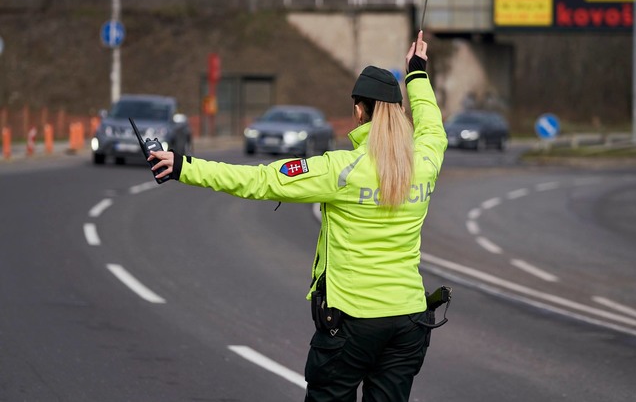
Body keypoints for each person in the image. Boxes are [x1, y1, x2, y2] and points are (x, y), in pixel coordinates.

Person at [149, 30, 447, 402]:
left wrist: (182, 166)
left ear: (358, 110)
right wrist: (417, 73)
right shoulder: (424, 162)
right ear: (400, 112)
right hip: (408, 321)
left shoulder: (340, 169)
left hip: (353, 323)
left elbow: (258, 180)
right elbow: (433, 126)